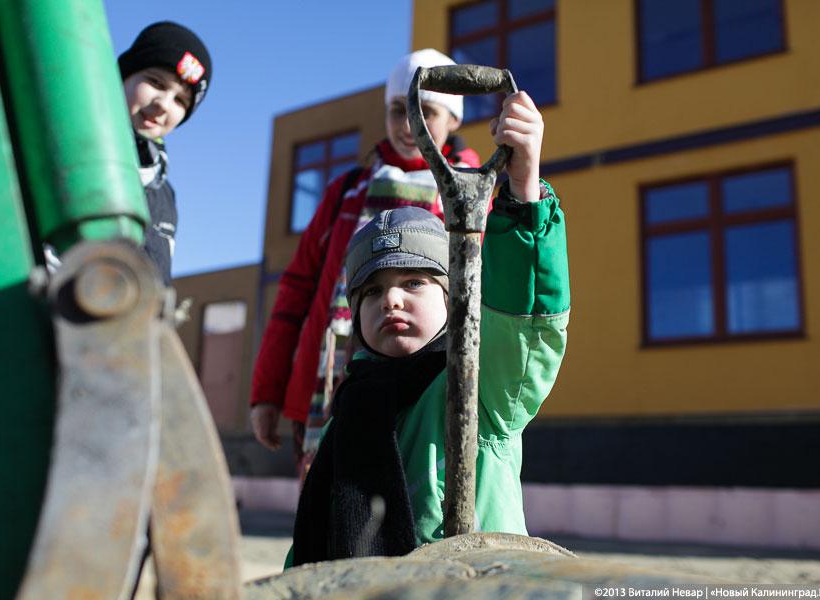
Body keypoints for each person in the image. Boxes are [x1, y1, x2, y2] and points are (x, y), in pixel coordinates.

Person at [288, 87, 570, 566]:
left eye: (414, 282)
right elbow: (313, 537)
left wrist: (523, 193)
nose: (391, 298)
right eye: (371, 292)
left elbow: (525, 322)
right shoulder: (349, 410)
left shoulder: (481, 387)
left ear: (454, 299)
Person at [250, 49, 481, 474]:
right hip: (328, 393)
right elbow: (295, 293)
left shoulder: (476, 193)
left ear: (454, 120)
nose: (408, 124)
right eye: (397, 109)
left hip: (433, 389)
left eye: (424, 110)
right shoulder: (345, 193)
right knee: (327, 523)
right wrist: (269, 393)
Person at [118, 21, 212, 285]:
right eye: (155, 82)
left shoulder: (164, 193)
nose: (162, 104)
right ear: (123, 76)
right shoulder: (77, 147)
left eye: (180, 100)